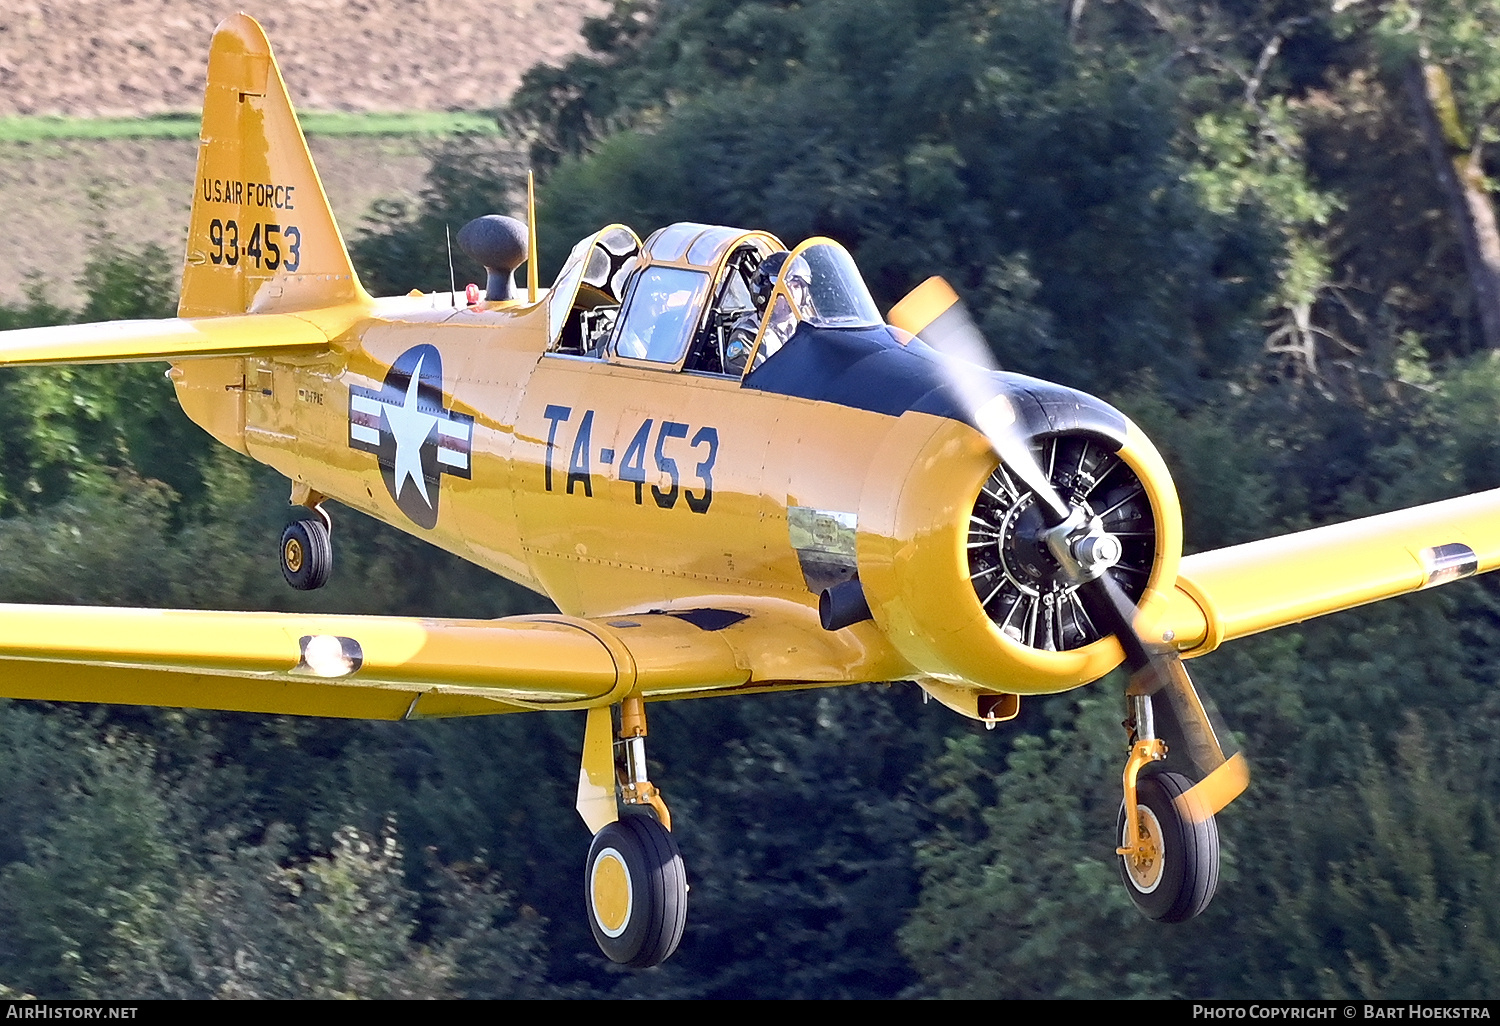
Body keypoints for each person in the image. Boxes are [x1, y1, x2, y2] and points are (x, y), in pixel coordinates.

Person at [723, 253, 813, 374]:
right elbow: (752, 386)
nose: (791, 294)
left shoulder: (808, 328)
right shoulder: (748, 335)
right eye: (784, 288)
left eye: (796, 286)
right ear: (764, 293)